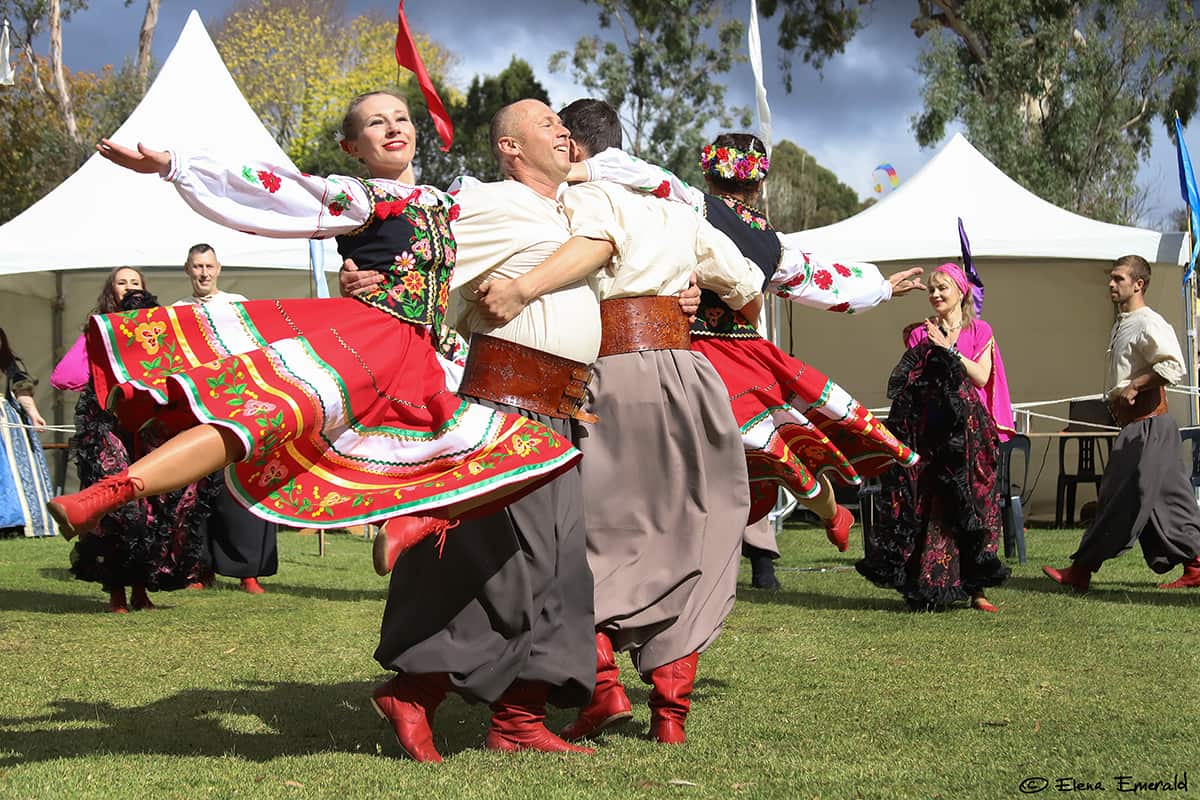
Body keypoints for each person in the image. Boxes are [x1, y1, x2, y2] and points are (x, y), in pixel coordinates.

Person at [46, 91, 581, 560]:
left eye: (401, 118)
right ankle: (107, 494)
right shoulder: (362, 197)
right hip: (366, 339)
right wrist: (177, 166)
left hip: (423, 359)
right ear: (352, 147)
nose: (393, 127)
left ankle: (419, 518)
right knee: (256, 420)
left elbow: (550, 180)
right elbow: (275, 189)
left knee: (536, 451)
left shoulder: (450, 201)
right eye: (376, 123)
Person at [339, 99, 705, 760]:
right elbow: (419, 250)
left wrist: (678, 296)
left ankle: (517, 719)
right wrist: (370, 274)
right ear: (510, 148)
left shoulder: (575, 211)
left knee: (561, 572)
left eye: (564, 126)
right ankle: (418, 690)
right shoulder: (484, 202)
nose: (564, 132)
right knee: (517, 564)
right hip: (507, 402)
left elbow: (616, 266)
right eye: (546, 125)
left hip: (562, 410)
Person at [479, 99, 763, 745]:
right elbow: (747, 287)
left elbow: (579, 255)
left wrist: (520, 289)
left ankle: (604, 682)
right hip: (689, 378)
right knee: (695, 531)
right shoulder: (679, 210)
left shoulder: (575, 202)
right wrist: (689, 295)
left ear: (576, 148)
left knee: (594, 534)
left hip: (608, 376)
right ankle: (670, 712)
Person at [517, 135, 921, 563]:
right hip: (746, 354)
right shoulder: (775, 245)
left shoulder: (692, 205)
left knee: (679, 452)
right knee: (781, 449)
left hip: (684, 349)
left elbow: (633, 171)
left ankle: (657, 551)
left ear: (708, 173)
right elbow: (824, 280)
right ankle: (831, 512)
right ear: (759, 185)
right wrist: (881, 288)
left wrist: (567, 171)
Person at [52, 273, 218, 612]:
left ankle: (141, 591)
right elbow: (65, 376)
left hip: (150, 427)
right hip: (109, 426)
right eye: (122, 282)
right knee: (119, 511)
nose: (130, 287)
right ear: (110, 291)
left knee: (155, 510)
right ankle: (117, 593)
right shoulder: (98, 330)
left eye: (135, 282)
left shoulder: (161, 331)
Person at [855, 263, 1011, 611]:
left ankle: (977, 589)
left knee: (971, 505)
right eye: (931, 289)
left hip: (969, 434)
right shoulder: (918, 334)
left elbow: (981, 376)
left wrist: (949, 350)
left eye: (943, 288)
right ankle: (928, 586)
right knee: (930, 506)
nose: (936, 294)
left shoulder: (980, 330)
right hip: (930, 433)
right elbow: (911, 384)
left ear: (961, 291)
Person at [1043, 255, 1200, 591]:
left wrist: (1136, 385)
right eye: (1111, 278)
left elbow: (1174, 366)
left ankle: (1081, 569)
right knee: (1171, 500)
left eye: (1119, 278)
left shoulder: (1148, 323)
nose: (1111, 284)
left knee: (1116, 496)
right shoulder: (1123, 323)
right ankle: (1196, 564)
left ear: (1138, 284)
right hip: (1142, 427)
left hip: (1148, 426)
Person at [172, 244, 276, 596]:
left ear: (218, 269)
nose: (203, 273)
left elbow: (257, 352)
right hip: (194, 411)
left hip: (236, 408)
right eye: (197, 266)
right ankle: (199, 568)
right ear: (187, 270)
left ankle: (249, 572)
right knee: (196, 491)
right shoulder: (176, 312)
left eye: (209, 266)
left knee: (240, 488)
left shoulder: (237, 304)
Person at [0, 327, 56, 538]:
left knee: (12, 473)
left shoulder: (11, 366)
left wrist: (33, 414)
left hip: (7, 427)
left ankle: (16, 523)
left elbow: (22, 391)